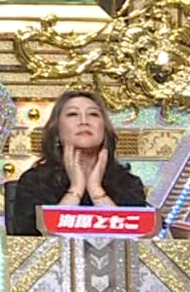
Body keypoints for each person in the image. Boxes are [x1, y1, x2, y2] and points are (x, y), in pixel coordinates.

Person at [8, 91, 147, 235]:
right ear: (57, 132)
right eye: (73, 114)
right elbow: (36, 243)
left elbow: (133, 241)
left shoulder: (128, 184)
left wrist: (97, 192)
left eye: (93, 114)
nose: (84, 121)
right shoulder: (34, 182)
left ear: (105, 130)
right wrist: (75, 191)